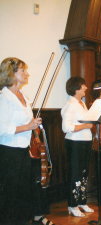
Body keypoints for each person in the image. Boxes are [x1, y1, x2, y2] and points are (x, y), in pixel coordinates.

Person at [0, 57, 42, 225]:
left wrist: (35, 127)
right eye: (22, 71)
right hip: (9, 152)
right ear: (12, 73)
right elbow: (2, 128)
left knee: (23, 191)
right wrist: (27, 126)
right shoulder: (4, 98)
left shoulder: (23, 96)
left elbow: (29, 122)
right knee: (11, 194)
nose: (27, 74)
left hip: (24, 150)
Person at [61, 77, 94, 217]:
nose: (86, 88)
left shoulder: (82, 103)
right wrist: (86, 126)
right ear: (76, 89)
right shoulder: (70, 105)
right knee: (75, 174)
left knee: (83, 174)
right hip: (75, 143)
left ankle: (81, 202)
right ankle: (72, 205)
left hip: (85, 142)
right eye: (83, 86)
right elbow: (66, 127)